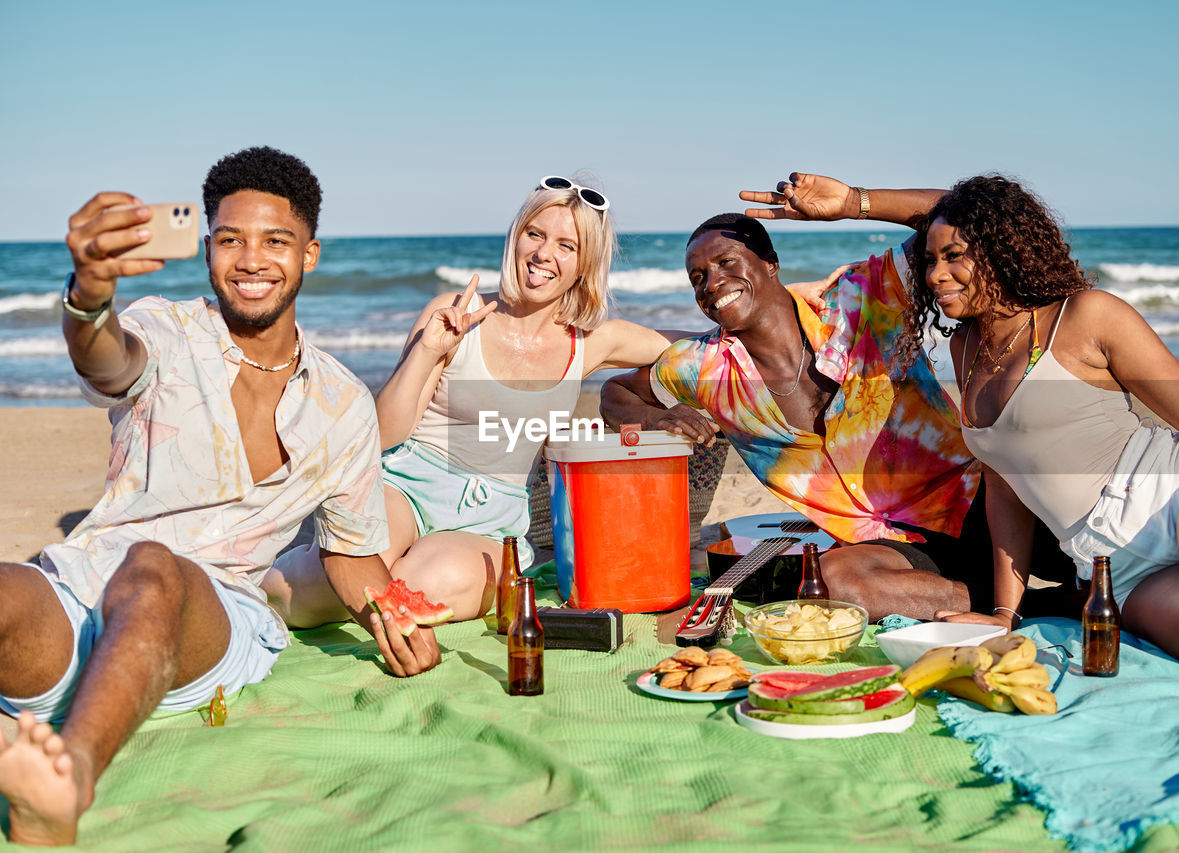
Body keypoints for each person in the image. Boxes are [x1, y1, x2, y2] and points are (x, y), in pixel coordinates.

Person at [0, 147, 437, 846]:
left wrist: (396, 619)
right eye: (231, 239)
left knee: (153, 565)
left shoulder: (343, 403)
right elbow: (107, 359)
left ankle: (68, 781)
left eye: (276, 240)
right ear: (206, 248)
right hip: (82, 590)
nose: (251, 259)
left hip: (211, 619)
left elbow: (352, 554)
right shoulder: (165, 331)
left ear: (311, 254)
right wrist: (88, 295)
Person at [601, 173, 1081, 621]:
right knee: (839, 583)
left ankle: (1046, 591)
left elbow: (967, 216)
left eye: (726, 262)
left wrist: (855, 203)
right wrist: (657, 418)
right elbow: (614, 392)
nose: (712, 283)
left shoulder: (862, 298)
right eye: (698, 277)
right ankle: (1038, 608)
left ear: (770, 265)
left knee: (1112, 566)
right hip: (892, 543)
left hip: (982, 499)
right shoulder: (701, 367)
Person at [899, 174, 1179, 682]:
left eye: (955, 256)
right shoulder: (963, 350)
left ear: (1001, 251)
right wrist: (1002, 615)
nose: (935, 275)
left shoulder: (1086, 316)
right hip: (1106, 562)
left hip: (1178, 492)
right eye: (930, 260)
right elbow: (1004, 488)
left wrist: (856, 204)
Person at [271, 176, 687, 625]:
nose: (544, 254)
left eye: (567, 245)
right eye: (535, 234)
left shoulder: (592, 343)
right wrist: (428, 351)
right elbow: (386, 432)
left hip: (491, 519)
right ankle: (250, 586)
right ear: (516, 236)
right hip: (405, 485)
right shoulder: (453, 314)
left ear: (585, 263)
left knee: (423, 585)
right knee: (329, 590)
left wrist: (765, 298)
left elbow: (705, 349)